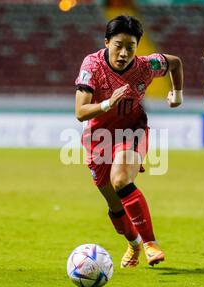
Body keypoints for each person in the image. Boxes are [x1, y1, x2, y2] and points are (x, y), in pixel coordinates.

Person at [74, 15, 184, 267]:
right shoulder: (92, 66)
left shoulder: (147, 66)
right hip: (98, 138)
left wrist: (176, 94)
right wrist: (106, 103)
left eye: (130, 47)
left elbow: (175, 63)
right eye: (118, 45)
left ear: (138, 47)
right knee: (114, 205)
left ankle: (150, 243)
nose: (124, 53)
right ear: (106, 42)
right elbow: (80, 111)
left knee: (122, 180)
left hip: (132, 130)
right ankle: (133, 244)